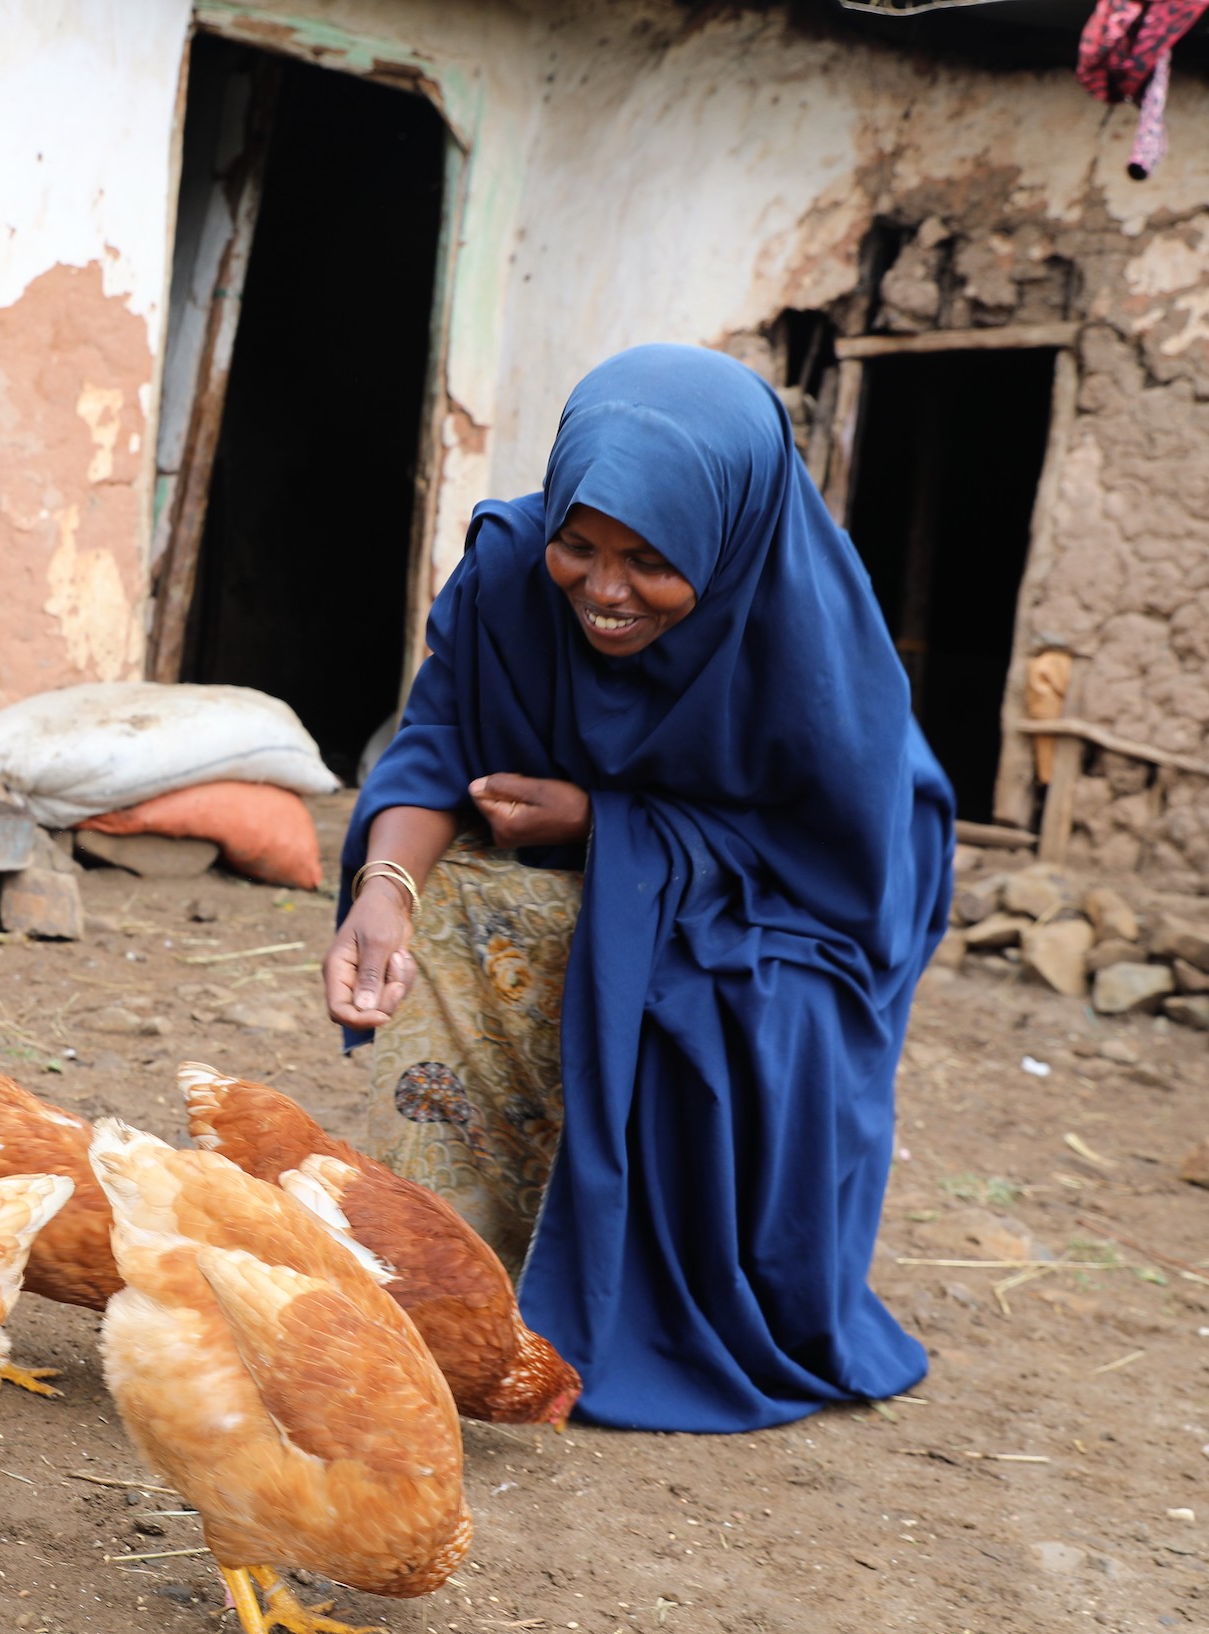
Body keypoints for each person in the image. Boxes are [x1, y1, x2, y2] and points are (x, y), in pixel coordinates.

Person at [323, 344, 952, 1433]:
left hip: (786, 923)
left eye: (651, 561)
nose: (604, 592)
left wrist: (606, 821)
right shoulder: (510, 577)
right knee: (466, 898)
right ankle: (453, 1257)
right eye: (580, 543)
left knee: (709, 987)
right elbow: (436, 740)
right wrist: (382, 891)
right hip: (598, 884)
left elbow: (846, 875)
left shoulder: (808, 638)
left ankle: (641, 1290)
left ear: (728, 537)